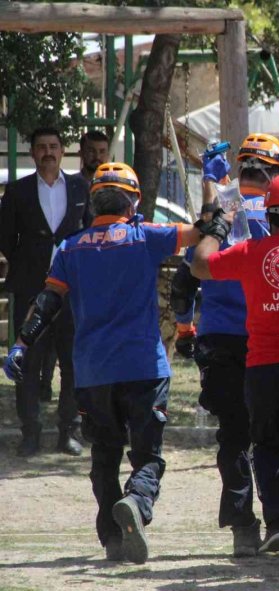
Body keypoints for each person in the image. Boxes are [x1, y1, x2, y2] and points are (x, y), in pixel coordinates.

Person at [4, 162, 216, 563]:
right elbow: (200, 232)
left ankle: (112, 539)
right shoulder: (145, 236)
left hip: (92, 372)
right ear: (133, 201)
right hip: (143, 369)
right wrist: (210, 189)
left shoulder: (70, 247)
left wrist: (20, 344)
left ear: (94, 201)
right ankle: (137, 499)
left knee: (104, 456)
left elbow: (48, 302)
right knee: (148, 456)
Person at [190, 173, 279, 572]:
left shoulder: (252, 250)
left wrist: (218, 225)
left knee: (266, 444)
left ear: (267, 214)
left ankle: (277, 520)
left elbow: (200, 265)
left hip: (262, 369)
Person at [169, 133, 279, 556]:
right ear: (278, 173)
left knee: (234, 435)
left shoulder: (223, 211)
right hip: (274, 336)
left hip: (220, 337)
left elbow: (185, 285)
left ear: (242, 170)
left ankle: (242, 526)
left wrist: (185, 331)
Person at [0, 127, 91, 456]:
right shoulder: (18, 191)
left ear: (63, 150)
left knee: (71, 363)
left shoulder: (81, 187)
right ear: (33, 152)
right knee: (28, 362)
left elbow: (91, 231)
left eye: (53, 146)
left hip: (72, 292)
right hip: (32, 291)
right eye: (41, 147)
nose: (48, 152)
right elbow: (6, 238)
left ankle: (67, 430)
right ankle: (30, 433)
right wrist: (29, 264)